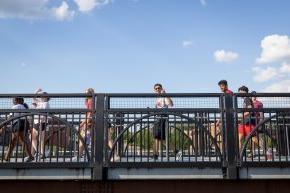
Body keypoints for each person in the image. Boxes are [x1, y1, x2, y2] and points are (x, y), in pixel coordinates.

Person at [4, 97, 34, 162]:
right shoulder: (24, 107)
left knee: (22, 141)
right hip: (24, 124)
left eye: (14, 99)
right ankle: (6, 157)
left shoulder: (15, 107)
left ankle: (30, 156)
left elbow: (10, 117)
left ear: (18, 100)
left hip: (17, 124)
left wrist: (4, 125)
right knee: (13, 141)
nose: (13, 101)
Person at [152, 83, 173, 160]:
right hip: (158, 118)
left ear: (161, 89)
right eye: (156, 89)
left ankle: (155, 155)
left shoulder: (163, 97)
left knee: (156, 137)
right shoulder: (157, 98)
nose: (157, 90)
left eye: (159, 88)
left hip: (162, 118)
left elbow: (171, 104)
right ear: (154, 90)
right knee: (161, 138)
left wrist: (166, 95)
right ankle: (176, 151)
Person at [74, 88, 94, 160]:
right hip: (89, 121)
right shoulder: (88, 101)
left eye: (87, 93)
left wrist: (82, 124)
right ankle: (80, 155)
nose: (85, 94)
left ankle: (79, 155)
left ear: (90, 93)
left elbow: (89, 114)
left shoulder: (91, 101)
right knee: (84, 138)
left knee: (82, 138)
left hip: (89, 122)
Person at [31, 91, 50, 159]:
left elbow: (43, 111)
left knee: (40, 139)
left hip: (42, 121)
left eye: (43, 96)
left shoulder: (46, 103)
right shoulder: (39, 102)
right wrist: (36, 91)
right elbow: (33, 99)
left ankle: (41, 154)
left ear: (46, 97)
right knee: (32, 137)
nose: (41, 96)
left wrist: (36, 106)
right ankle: (39, 153)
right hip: (36, 121)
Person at [238, 86, 257, 151]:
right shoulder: (245, 100)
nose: (239, 94)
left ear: (244, 91)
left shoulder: (247, 99)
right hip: (243, 121)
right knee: (240, 138)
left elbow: (250, 109)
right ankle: (240, 154)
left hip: (248, 122)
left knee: (253, 138)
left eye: (240, 92)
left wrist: (242, 115)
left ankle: (267, 150)